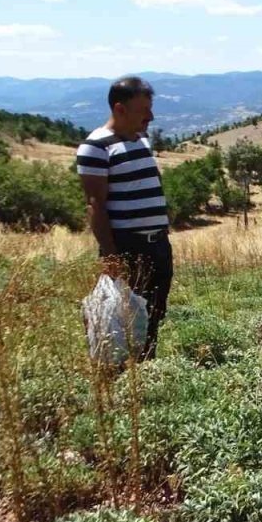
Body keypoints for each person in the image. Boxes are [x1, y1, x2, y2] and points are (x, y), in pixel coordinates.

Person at [76, 76, 172, 360]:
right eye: (144, 110)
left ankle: (146, 367)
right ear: (120, 109)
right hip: (129, 246)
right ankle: (121, 374)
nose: (150, 117)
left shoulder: (141, 140)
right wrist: (111, 257)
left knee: (154, 311)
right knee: (123, 314)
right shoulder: (95, 147)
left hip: (157, 244)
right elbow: (96, 206)